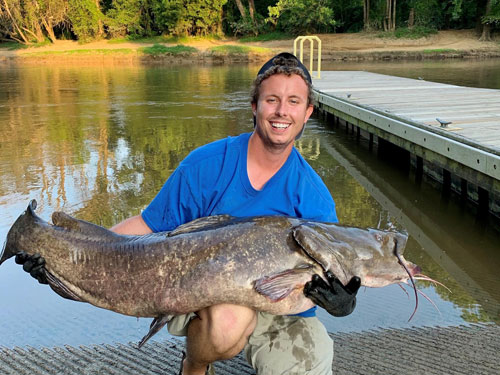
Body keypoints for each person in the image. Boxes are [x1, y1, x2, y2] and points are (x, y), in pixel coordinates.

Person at [17, 52, 360, 375]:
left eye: (293, 102)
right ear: (254, 106)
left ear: (307, 112)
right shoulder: (206, 165)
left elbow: (324, 283)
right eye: (272, 100)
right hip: (198, 294)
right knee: (229, 320)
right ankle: (194, 365)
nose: (281, 111)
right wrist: (68, 254)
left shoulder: (314, 198)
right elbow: (144, 227)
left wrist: (343, 303)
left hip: (278, 308)